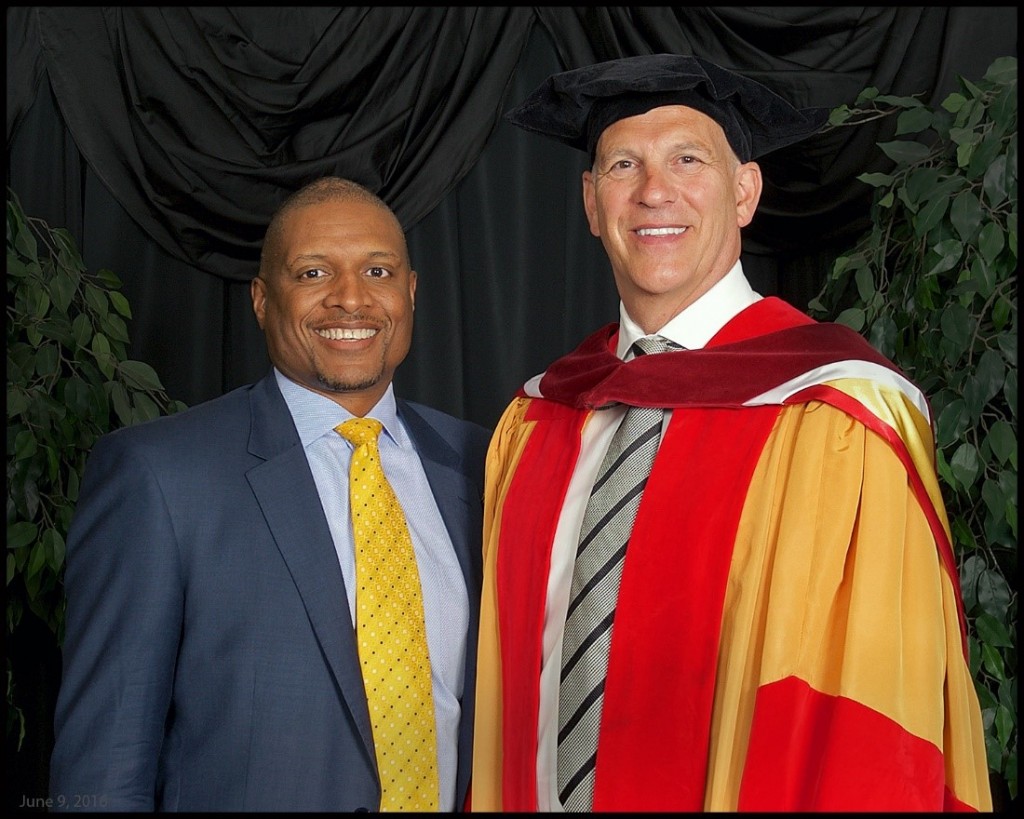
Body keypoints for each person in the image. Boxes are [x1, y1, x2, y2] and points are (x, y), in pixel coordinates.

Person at [470, 54, 992, 812]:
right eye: (624, 164)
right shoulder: (538, 420)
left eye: (688, 159)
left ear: (745, 191)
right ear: (591, 201)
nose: (655, 191)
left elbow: (872, 720)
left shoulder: (836, 419)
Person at [49, 176, 490, 811]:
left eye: (377, 270)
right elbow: (103, 769)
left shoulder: (484, 464)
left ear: (411, 292)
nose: (351, 299)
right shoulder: (158, 477)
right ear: (261, 300)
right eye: (313, 273)